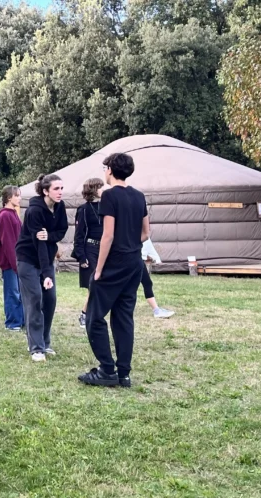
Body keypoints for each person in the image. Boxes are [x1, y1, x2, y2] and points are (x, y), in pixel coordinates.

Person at [79, 153, 149, 388]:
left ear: (109, 169)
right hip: (134, 263)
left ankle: (107, 370)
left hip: (114, 263)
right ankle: (124, 374)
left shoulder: (109, 195)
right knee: (123, 317)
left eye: (105, 168)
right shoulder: (139, 196)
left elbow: (107, 236)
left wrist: (98, 270)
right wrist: (129, 244)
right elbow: (146, 233)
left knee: (94, 316)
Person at [15, 174, 68, 362]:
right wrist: (46, 274)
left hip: (46, 258)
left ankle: (44, 342)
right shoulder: (34, 211)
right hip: (28, 259)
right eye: (56, 189)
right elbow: (40, 245)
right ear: (45, 191)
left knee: (50, 299)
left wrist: (49, 236)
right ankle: (36, 347)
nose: (60, 192)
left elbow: (62, 230)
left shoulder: (60, 206)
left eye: (61, 188)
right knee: (35, 299)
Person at [73, 178, 104, 328]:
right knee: (94, 284)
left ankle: (96, 314)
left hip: (105, 249)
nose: (104, 189)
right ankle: (84, 315)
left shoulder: (107, 206)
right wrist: (81, 256)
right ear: (93, 189)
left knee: (103, 284)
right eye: (100, 187)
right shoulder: (84, 209)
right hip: (90, 249)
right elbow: (79, 235)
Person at [0, 185, 24, 331]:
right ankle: (13, 322)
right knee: (12, 292)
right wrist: (15, 263)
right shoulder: (5, 215)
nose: (19, 198)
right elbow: (7, 242)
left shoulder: (13, 213)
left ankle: (20, 319)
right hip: (10, 262)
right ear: (8, 198)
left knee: (20, 292)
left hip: (18, 261)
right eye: (16, 195)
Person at [141, 239, 175, 319]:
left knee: (147, 283)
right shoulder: (138, 232)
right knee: (146, 283)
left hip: (136, 259)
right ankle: (156, 311)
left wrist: (156, 257)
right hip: (134, 259)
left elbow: (147, 243)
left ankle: (156, 310)